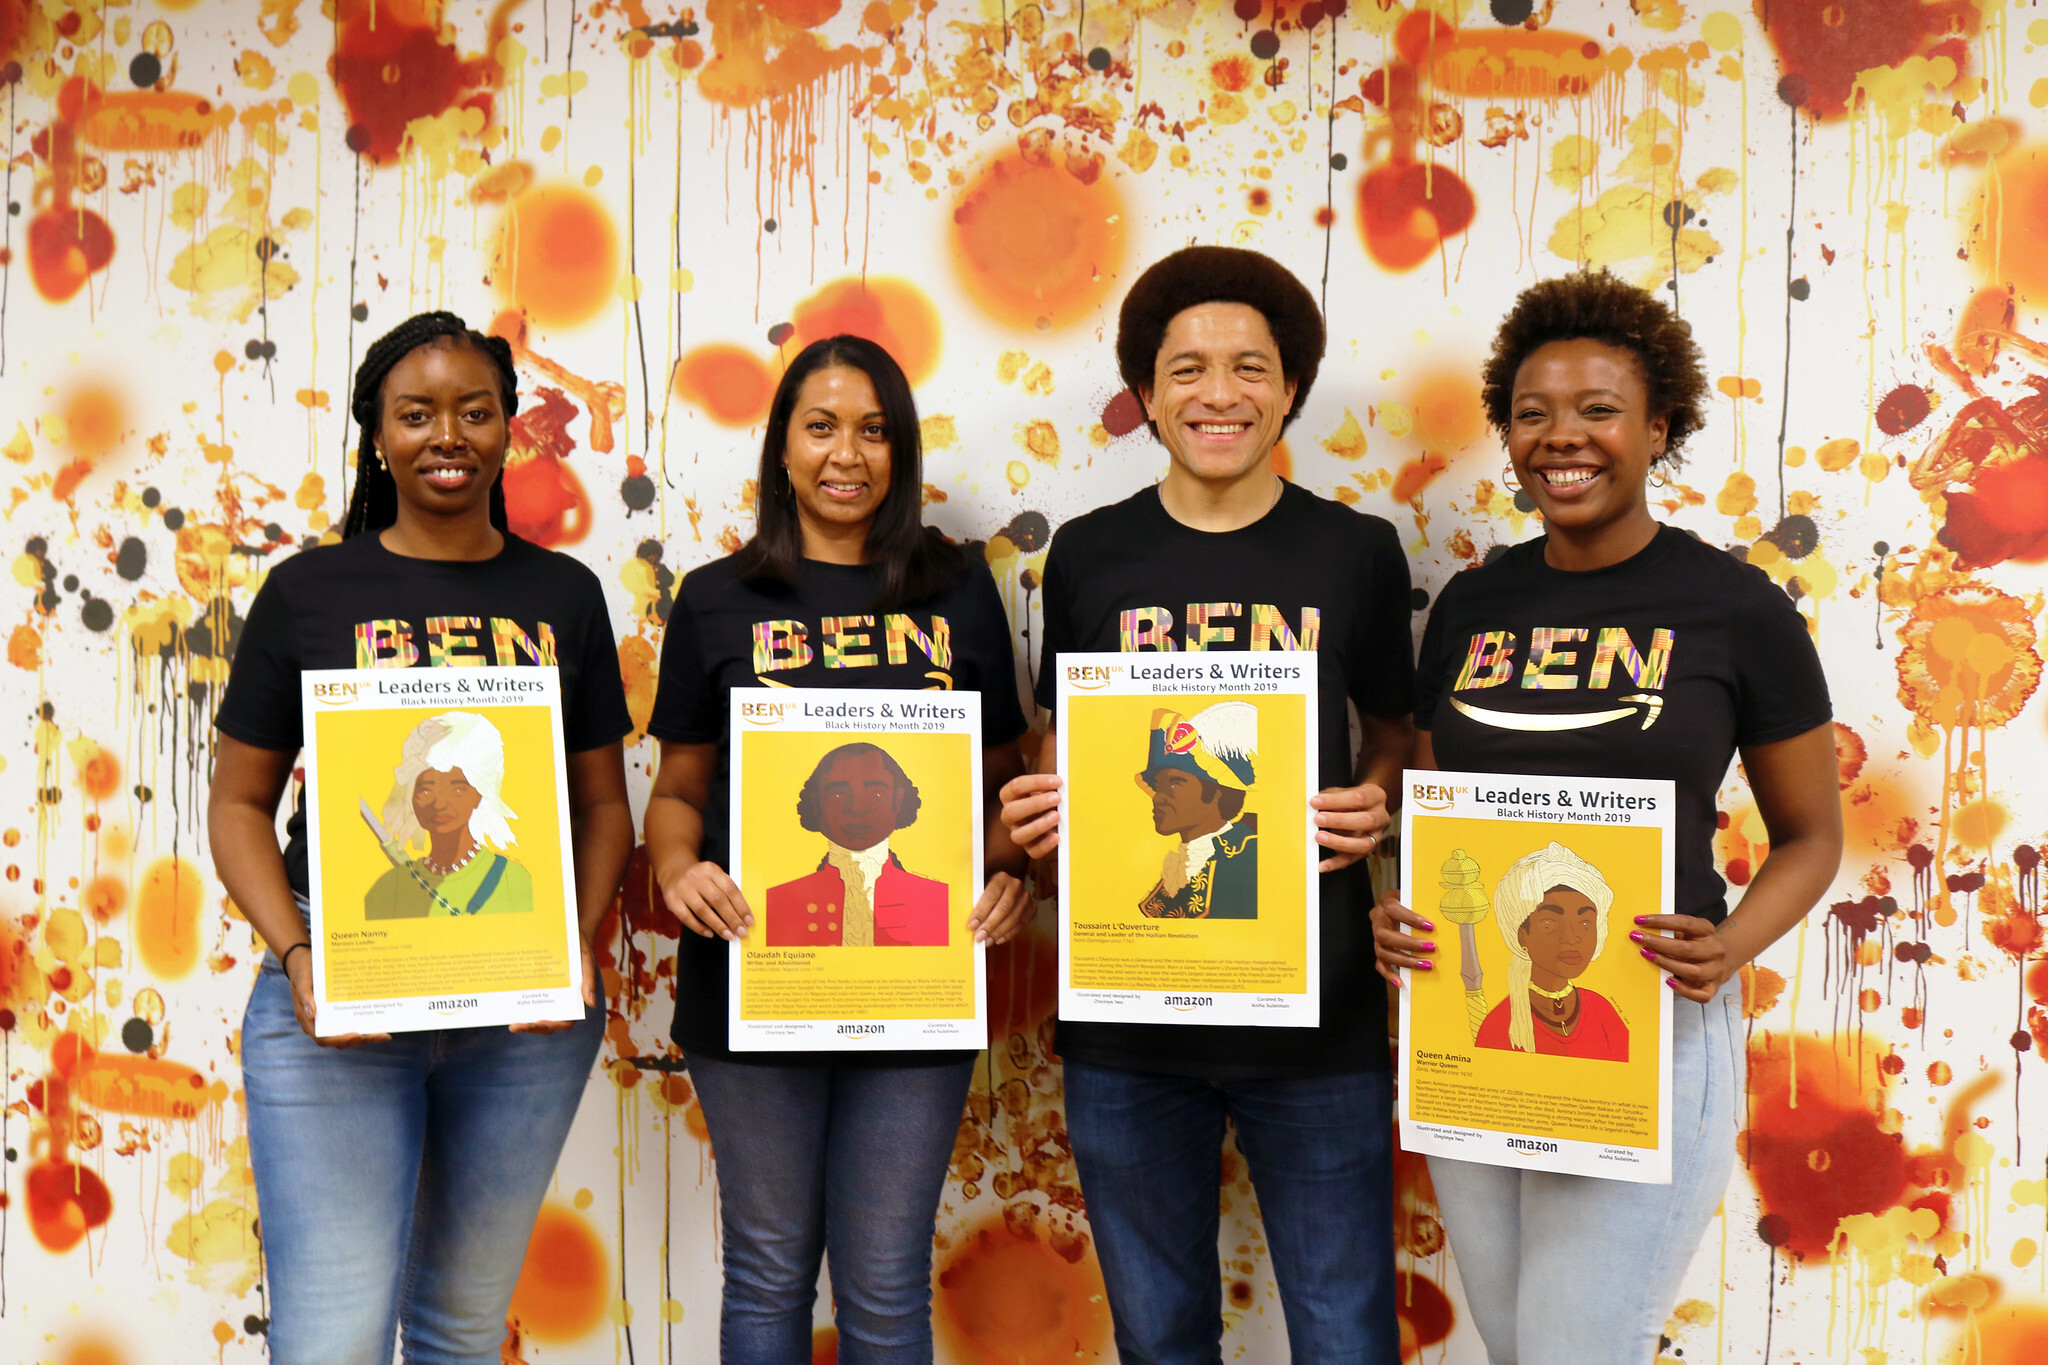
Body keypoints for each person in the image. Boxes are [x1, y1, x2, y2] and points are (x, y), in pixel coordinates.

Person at [1371, 270, 1841, 1364]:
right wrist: (1397, 909)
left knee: (1575, 1347)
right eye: (1530, 414)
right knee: (1514, 1342)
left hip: (1650, 1015)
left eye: (1595, 410)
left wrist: (1728, 947)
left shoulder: (1734, 610)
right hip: (1474, 1013)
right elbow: (1439, 812)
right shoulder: (1473, 606)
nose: (1559, 438)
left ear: (1656, 427)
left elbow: (1811, 836)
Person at [999, 245, 1415, 1365]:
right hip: (1128, 1026)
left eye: (1247, 367)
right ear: (1144, 393)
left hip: (1315, 1015)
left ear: (1289, 387)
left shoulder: (1356, 552)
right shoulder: (1086, 555)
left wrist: (1373, 803)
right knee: (1159, 1336)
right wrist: (1038, 821)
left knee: (1343, 1333)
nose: (1217, 394)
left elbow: (1392, 732)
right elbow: (1065, 743)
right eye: (1184, 369)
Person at [208, 311, 634, 1365]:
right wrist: (299, 958)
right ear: (378, 433)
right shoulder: (310, 592)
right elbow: (235, 806)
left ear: (507, 431)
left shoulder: (563, 596)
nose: (448, 435)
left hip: (524, 1011)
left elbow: (601, 810)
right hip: (336, 1003)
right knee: (330, 1341)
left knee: (459, 1328)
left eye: (474, 411)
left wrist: (569, 948)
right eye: (417, 413)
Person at [643, 334, 1033, 1364]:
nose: (845, 453)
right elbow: (679, 790)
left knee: (886, 1278)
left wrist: (1011, 870)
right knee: (769, 1269)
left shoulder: (955, 589)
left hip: (917, 979)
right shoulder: (717, 597)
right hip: (749, 975)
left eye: (871, 430)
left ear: (901, 451)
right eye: (819, 427)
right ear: (780, 449)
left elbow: (1005, 790)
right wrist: (678, 868)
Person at [764, 742, 950, 946]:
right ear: (816, 803)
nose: (856, 809)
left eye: (877, 795)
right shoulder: (778, 903)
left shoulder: (939, 902)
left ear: (898, 800)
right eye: (837, 795)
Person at [364, 711, 536, 919]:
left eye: (458, 789)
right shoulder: (388, 888)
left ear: (479, 794)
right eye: (426, 790)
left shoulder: (515, 881)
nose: (439, 803)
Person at [1471, 842, 1628, 1062]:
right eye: (1549, 923)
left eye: (1585, 923)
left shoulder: (1602, 1012)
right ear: (1521, 935)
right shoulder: (1499, 1026)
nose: (1571, 937)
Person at [1139, 703, 1259, 920]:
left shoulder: (1249, 856)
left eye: (1175, 784)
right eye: (1158, 785)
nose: (1158, 796)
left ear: (1217, 793)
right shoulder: (1181, 864)